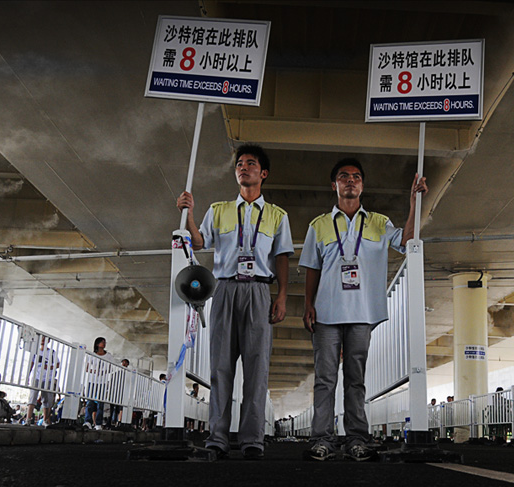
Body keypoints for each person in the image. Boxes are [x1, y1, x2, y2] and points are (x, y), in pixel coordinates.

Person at [300, 158, 427, 462]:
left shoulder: (379, 223)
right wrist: (308, 305)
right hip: (327, 313)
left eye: (356, 177)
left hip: (362, 314)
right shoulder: (318, 225)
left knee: (355, 379)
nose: (351, 181)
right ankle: (322, 440)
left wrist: (413, 203)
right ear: (335, 185)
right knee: (325, 379)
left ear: (362, 185)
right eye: (344, 177)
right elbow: (311, 268)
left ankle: (357, 438)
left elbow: (408, 242)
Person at [176, 143, 293, 461]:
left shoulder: (276, 216)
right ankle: (218, 437)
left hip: (258, 291)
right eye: (239, 163)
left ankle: (252, 439)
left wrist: (281, 296)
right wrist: (188, 213)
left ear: (263, 173)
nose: (243, 167)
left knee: (257, 368)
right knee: (220, 368)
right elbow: (200, 242)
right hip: (224, 290)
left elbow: (281, 257)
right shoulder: (218, 210)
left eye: (251, 163)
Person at [25, 336, 60, 426]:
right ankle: (28, 419)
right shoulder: (35, 351)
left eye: (45, 339)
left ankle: (45, 420)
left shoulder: (52, 353)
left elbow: (57, 364)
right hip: (36, 376)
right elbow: (31, 364)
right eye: (41, 339)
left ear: (48, 341)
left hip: (47, 378)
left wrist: (48, 367)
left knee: (46, 399)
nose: (43, 341)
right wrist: (28, 375)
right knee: (32, 398)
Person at [84, 337, 113, 430]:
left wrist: (104, 372)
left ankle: (98, 423)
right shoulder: (92, 354)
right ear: (97, 344)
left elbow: (110, 368)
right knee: (90, 402)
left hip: (102, 382)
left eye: (104, 342)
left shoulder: (108, 356)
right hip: (92, 381)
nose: (104, 344)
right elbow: (87, 368)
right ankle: (87, 421)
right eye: (102, 342)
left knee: (101, 404)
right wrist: (94, 371)